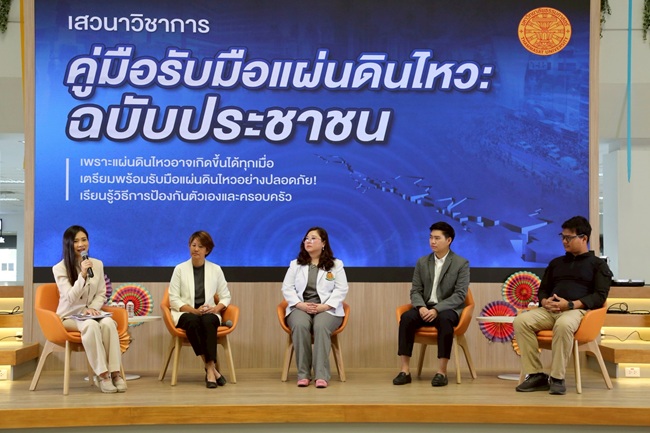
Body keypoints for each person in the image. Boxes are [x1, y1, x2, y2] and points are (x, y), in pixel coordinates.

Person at [513, 215, 612, 395]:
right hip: (550, 310)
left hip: (578, 312)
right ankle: (535, 375)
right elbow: (543, 290)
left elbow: (600, 296)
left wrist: (571, 305)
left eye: (569, 238)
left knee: (564, 324)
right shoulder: (556, 263)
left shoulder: (598, 265)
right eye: (563, 237)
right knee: (521, 321)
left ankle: (557, 378)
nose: (564, 241)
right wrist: (545, 301)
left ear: (584, 238)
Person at [393, 221, 470, 387]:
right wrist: (421, 307)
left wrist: (436, 309)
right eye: (430, 238)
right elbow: (415, 290)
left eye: (437, 238)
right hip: (425, 307)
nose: (432, 241)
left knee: (445, 320)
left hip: (447, 308)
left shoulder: (461, 263)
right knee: (406, 318)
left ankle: (441, 372)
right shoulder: (422, 262)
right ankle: (405, 371)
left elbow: (460, 295)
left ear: (448, 240)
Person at [53, 225, 127, 394]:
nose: (81, 244)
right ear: (68, 244)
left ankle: (115, 373)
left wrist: (92, 308)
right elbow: (70, 298)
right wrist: (83, 275)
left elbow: (101, 293)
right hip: (69, 316)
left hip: (90, 314)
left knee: (108, 323)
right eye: (76, 241)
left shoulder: (98, 264)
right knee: (91, 325)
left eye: (84, 240)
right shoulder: (60, 268)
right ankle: (103, 375)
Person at [281, 227, 349, 389]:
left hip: (327, 308)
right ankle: (303, 374)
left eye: (313, 238)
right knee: (300, 325)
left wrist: (325, 306)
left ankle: (321, 375)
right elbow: (287, 288)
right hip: (300, 307)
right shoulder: (295, 264)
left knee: (321, 325)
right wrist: (300, 304)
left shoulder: (336, 265)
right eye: (306, 238)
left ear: (323, 243)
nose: (308, 241)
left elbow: (341, 289)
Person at [168, 230, 231, 388]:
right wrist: (194, 310)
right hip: (185, 313)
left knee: (209, 321)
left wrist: (215, 309)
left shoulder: (216, 269)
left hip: (208, 312)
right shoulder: (179, 269)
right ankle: (211, 369)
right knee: (193, 321)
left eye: (200, 246)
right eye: (193, 245)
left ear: (207, 250)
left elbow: (226, 297)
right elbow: (173, 299)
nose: (195, 249)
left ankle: (210, 369)